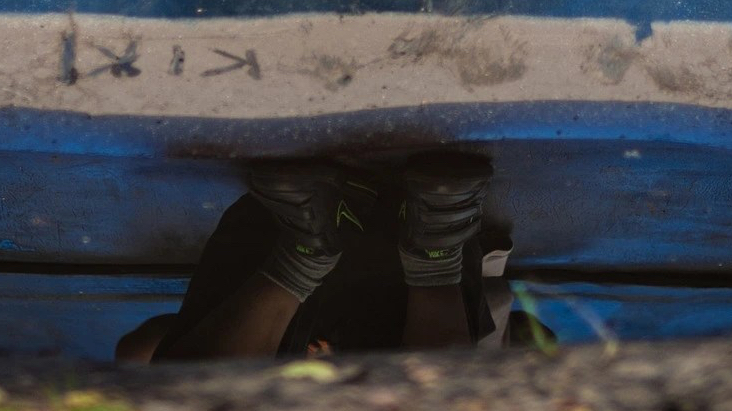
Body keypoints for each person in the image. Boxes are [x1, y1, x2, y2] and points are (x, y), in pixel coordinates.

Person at [116, 154, 504, 361]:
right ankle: (433, 255)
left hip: (285, 239)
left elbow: (138, 348)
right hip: (412, 282)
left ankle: (304, 255)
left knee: (189, 398)